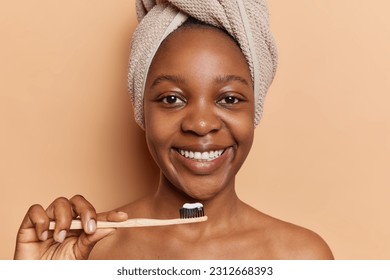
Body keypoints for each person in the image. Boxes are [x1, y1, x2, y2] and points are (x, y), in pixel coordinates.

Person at [14, 0, 334, 260]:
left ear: (255, 109)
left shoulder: (301, 258)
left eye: (229, 99)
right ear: (142, 109)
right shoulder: (91, 252)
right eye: (172, 99)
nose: (201, 124)